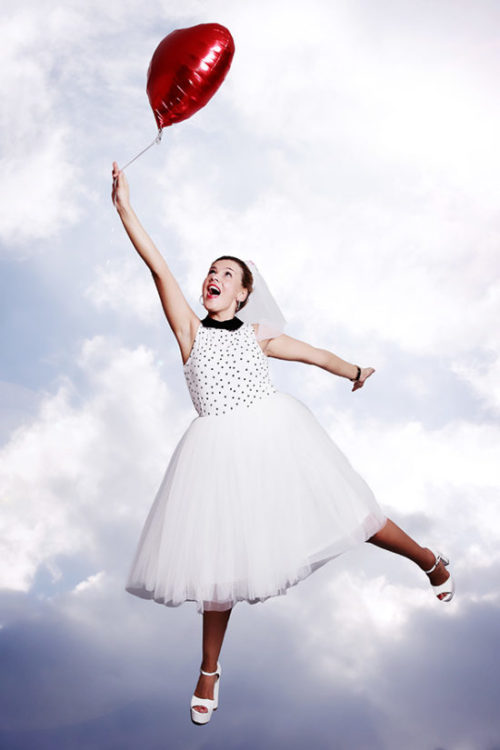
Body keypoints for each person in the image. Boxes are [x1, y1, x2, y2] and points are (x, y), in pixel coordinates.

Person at [111, 162, 454, 725]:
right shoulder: (189, 332)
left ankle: (428, 560)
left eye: (227, 273)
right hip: (215, 456)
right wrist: (126, 208)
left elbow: (316, 355)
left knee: (349, 515)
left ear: (244, 295)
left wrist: (354, 370)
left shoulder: (258, 335)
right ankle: (209, 670)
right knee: (216, 562)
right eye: (210, 272)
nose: (213, 277)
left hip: (275, 437)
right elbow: (158, 267)